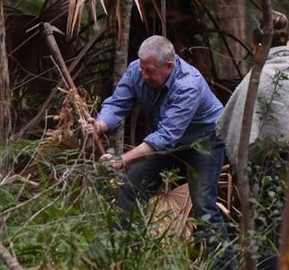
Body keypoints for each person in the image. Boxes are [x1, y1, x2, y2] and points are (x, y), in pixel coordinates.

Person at [83, 35, 236, 269]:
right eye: (142, 68)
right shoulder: (138, 69)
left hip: (203, 143)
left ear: (169, 66)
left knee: (204, 205)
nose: (143, 76)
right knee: (131, 189)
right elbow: (117, 104)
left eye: (150, 70)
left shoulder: (188, 84)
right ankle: (124, 257)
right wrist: (100, 125)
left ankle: (226, 267)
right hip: (168, 142)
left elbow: (164, 137)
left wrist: (122, 160)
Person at [217, 11, 289, 270]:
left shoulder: (256, 80)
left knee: (269, 238)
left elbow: (238, 134)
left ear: (256, 45)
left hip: (271, 174)